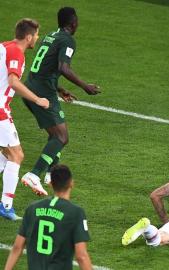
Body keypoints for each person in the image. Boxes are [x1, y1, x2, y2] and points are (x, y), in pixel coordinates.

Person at [21, 7, 101, 196]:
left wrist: (60, 89)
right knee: (61, 137)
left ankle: (50, 173)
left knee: (55, 133)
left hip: (30, 88)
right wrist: (85, 86)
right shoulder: (68, 40)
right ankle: (34, 174)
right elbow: (63, 68)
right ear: (74, 23)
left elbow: (46, 67)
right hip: (42, 94)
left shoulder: (51, 36)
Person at [0, 19, 50, 221]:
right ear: (29, 36)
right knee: (17, 155)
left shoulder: (4, 46)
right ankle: (6, 205)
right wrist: (38, 99)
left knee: (5, 156)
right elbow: (13, 81)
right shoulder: (16, 53)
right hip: (0, 110)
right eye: (36, 35)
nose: (37, 38)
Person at [5, 164, 92, 270]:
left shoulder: (32, 209)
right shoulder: (75, 212)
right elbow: (81, 256)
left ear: (50, 184)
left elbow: (17, 247)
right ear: (71, 183)